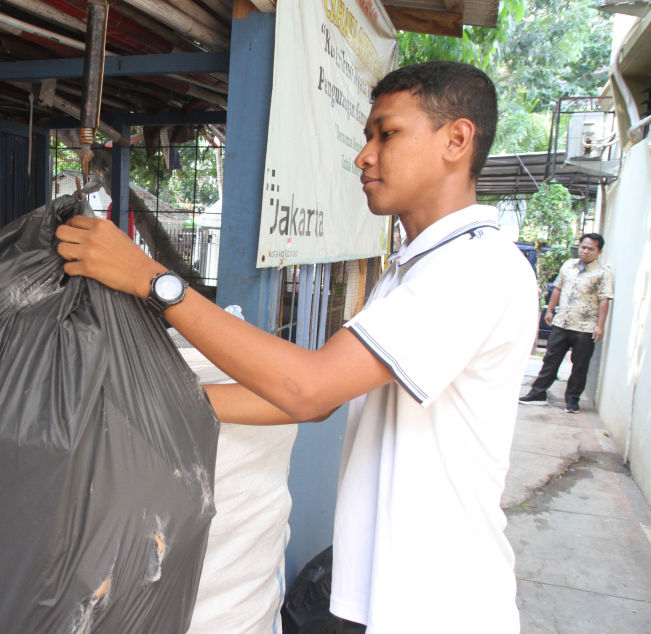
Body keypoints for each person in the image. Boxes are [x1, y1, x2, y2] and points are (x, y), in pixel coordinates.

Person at [55, 61, 536, 633]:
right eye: (366, 137)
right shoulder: (413, 269)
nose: (365, 155)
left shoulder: (473, 266)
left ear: (457, 139)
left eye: (387, 133)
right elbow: (317, 399)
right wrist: (154, 396)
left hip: (440, 605)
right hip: (386, 598)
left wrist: (152, 281)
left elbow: (309, 388)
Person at [519, 234, 613, 413]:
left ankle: (572, 401)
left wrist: (600, 325)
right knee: (550, 360)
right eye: (583, 247)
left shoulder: (603, 273)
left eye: (590, 248)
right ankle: (538, 394)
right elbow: (558, 288)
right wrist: (550, 310)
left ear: (599, 252)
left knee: (579, 365)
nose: (585, 251)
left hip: (585, 327)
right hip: (562, 323)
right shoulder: (568, 265)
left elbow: (604, 300)